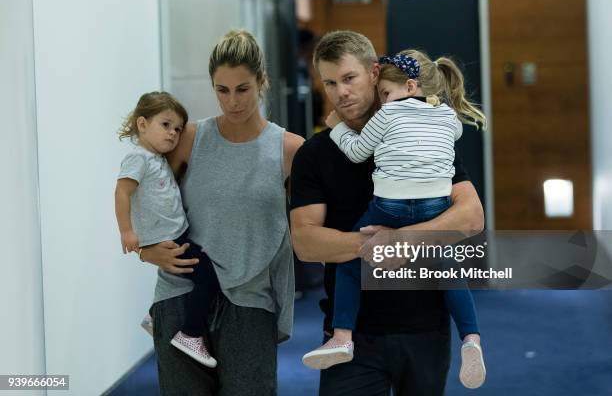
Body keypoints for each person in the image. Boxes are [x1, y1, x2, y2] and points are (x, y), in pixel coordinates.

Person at [290, 30, 485, 396]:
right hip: (352, 337)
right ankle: (470, 334)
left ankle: (470, 336)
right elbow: (306, 242)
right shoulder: (314, 155)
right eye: (329, 83)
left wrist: (399, 241)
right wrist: (375, 247)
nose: (340, 92)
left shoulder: (422, 135)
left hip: (425, 327)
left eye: (349, 78)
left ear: (375, 73)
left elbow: (472, 217)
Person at [138, 30, 304, 395]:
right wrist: (144, 249)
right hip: (181, 295)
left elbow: (308, 230)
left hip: (251, 303)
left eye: (242, 89)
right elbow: (140, 192)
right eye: (221, 89)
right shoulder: (189, 139)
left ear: (262, 81)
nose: (232, 101)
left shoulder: (290, 150)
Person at [115, 91, 221, 368]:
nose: (173, 133)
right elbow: (122, 192)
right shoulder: (137, 158)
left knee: (200, 273)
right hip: (170, 238)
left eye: (177, 129)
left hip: (178, 232)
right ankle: (190, 334)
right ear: (142, 124)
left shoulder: (157, 158)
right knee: (209, 278)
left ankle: (154, 316)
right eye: (165, 125)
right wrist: (127, 232)